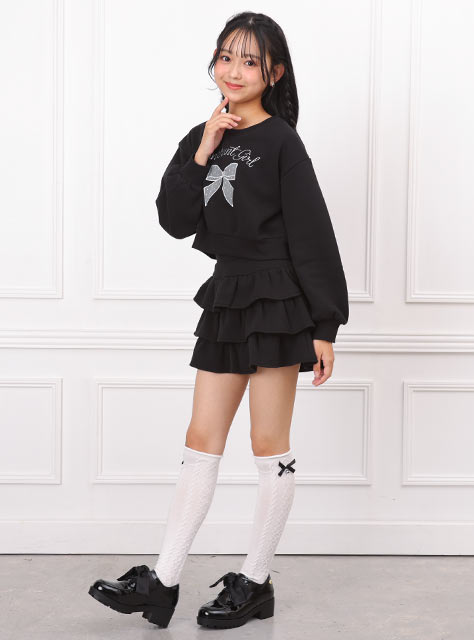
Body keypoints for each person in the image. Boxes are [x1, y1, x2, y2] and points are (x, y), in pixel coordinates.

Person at [88, 10, 349, 629]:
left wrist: (325, 325)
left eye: (249, 60)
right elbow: (175, 220)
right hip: (227, 296)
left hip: (279, 300)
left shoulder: (282, 142)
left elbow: (313, 233)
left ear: (274, 73)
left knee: (267, 445)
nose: (234, 70)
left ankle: (256, 580)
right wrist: (204, 149)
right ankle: (163, 581)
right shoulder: (200, 136)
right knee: (201, 439)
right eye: (226, 56)